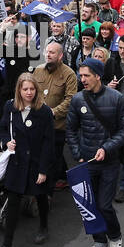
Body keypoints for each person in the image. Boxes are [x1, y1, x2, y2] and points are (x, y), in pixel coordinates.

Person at [67, 57, 124, 247]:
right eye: (81, 75)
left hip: (109, 161)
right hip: (86, 161)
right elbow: (71, 129)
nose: (83, 79)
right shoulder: (78, 99)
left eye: (87, 75)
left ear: (98, 76)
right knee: (90, 205)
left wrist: (106, 147)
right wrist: (77, 152)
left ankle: (115, 239)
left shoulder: (116, 98)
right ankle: (99, 244)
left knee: (105, 205)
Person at [0, 73, 55, 247]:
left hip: (36, 163)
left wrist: (43, 170)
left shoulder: (44, 112)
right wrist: (6, 142)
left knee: (41, 196)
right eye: (25, 89)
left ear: (36, 90)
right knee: (13, 203)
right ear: (19, 90)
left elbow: (48, 143)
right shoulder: (10, 107)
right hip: (17, 162)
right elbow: (3, 129)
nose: (29, 92)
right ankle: (6, 246)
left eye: (32, 89)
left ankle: (43, 226)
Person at [31, 41, 78, 194]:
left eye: (52, 52)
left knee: (53, 155)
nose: (48, 54)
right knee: (47, 155)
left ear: (60, 56)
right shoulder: (37, 70)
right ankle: (63, 176)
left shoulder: (69, 74)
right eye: (47, 51)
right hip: (38, 124)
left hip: (57, 125)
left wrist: (53, 112)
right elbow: (31, 93)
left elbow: (71, 99)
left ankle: (48, 192)